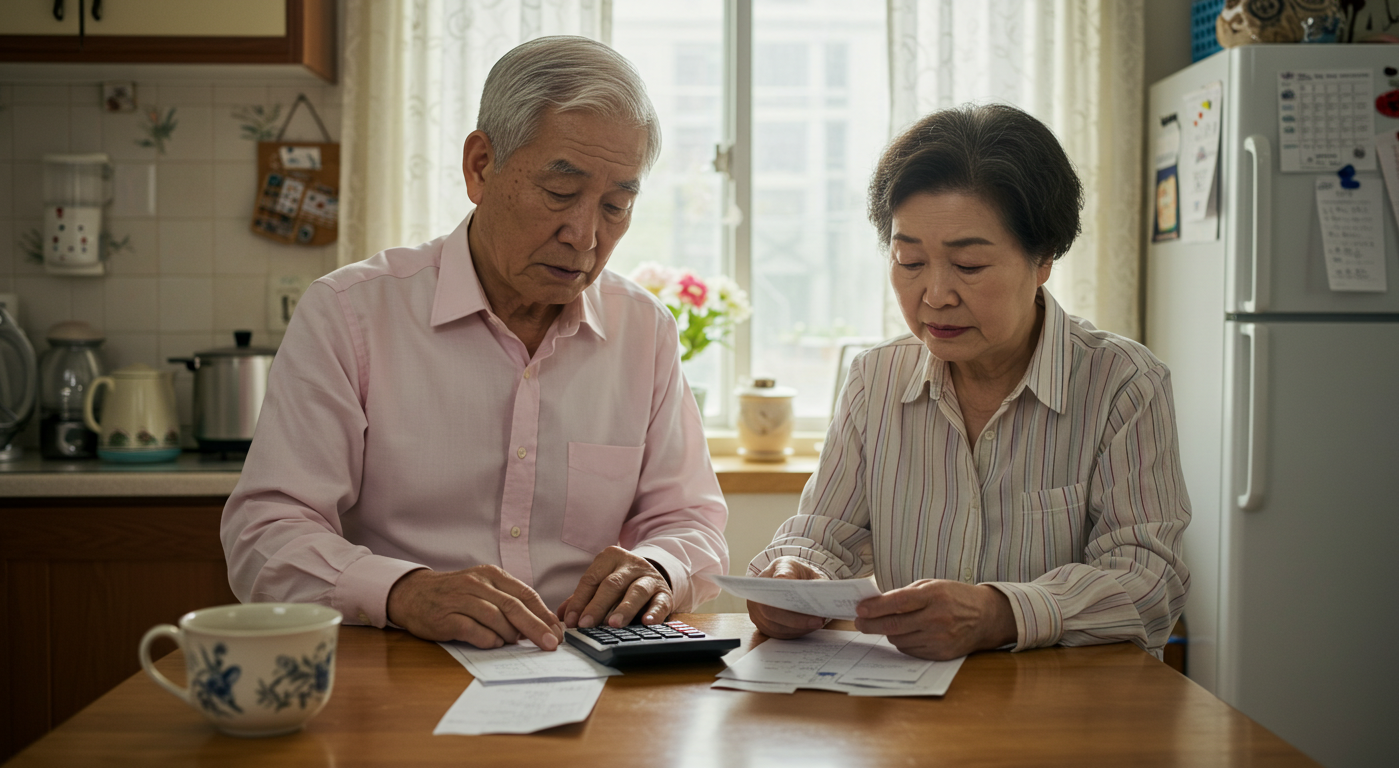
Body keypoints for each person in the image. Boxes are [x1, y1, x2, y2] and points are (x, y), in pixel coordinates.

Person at [221, 36, 729, 653]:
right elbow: (265, 533)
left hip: (589, 667)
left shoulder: (644, 331)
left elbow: (691, 523)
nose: (584, 235)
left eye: (616, 206)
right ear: (480, 166)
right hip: (401, 662)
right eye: (560, 193)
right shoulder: (351, 313)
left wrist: (657, 569)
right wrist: (404, 592)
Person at [746, 104, 1190, 661]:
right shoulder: (875, 380)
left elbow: (1149, 580)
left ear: (1043, 258)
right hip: (911, 698)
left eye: (970, 266)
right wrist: (793, 578)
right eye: (909, 261)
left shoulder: (1122, 384)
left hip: (1065, 700)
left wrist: (1000, 613)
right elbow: (822, 534)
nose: (935, 295)